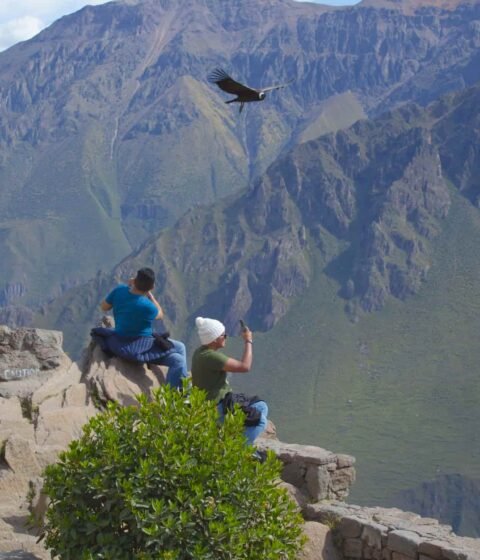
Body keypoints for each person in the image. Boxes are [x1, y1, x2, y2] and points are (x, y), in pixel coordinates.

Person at [94, 267, 188, 389]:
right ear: (152, 287)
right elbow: (160, 314)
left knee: (180, 348)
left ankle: (183, 389)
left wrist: (129, 287)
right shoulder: (147, 306)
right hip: (141, 347)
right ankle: (177, 394)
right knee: (179, 359)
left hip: (119, 340)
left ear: (134, 280)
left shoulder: (119, 290)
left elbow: (104, 307)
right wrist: (151, 297)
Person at [191, 316, 268, 445]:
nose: (226, 337)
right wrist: (248, 341)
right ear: (215, 339)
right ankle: (238, 448)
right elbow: (245, 366)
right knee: (260, 421)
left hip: (222, 399)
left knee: (261, 406)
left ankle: (238, 434)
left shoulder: (200, 352)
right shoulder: (210, 357)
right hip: (216, 406)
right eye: (224, 335)